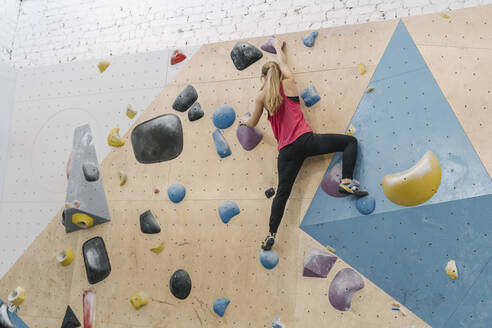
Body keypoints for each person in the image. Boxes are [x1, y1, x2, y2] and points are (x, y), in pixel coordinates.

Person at [238, 38, 368, 251]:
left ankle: (271, 234)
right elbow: (283, 64)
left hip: (286, 152)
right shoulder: (288, 82)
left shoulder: (261, 96)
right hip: (306, 141)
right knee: (349, 142)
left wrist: (243, 121)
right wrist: (279, 49)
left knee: (282, 193)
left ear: (263, 77)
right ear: (279, 73)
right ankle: (346, 180)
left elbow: (251, 122)